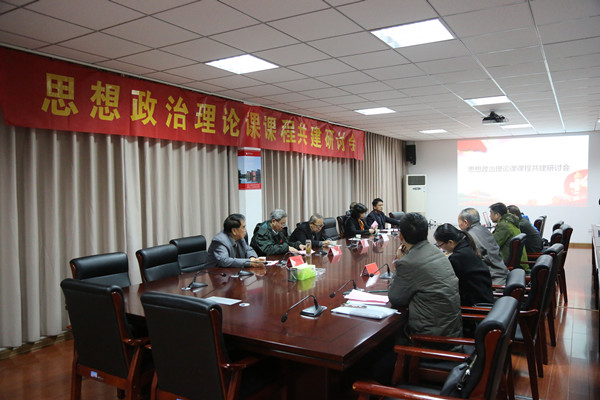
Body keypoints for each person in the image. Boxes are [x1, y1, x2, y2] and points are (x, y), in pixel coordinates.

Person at [389, 213, 463, 345]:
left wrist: (401, 261)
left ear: (401, 236)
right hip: (451, 332)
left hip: (430, 341)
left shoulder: (408, 263)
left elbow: (395, 298)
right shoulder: (438, 252)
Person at [433, 223, 494, 306]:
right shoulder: (466, 246)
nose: (440, 248)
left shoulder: (457, 257)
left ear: (450, 242)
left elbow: (446, 283)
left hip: (475, 305)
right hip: (484, 297)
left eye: (440, 245)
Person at [458, 208, 509, 285]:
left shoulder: (470, 236)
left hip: (493, 279)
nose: (459, 225)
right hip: (501, 272)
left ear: (465, 222)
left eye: (459, 222)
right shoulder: (484, 229)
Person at [489, 202, 529, 271]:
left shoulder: (504, 226)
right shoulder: (510, 223)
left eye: (491, 213)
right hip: (519, 263)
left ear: (497, 215)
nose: (490, 216)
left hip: (513, 266)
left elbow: (492, 245)